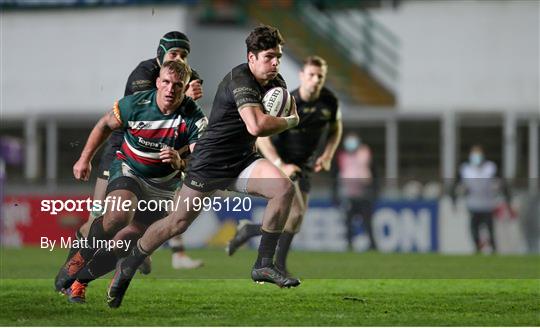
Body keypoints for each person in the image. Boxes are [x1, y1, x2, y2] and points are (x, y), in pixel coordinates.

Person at [105, 24, 301, 308]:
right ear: (251, 58)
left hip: (242, 160)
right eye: (269, 57)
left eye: (278, 57)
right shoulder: (240, 80)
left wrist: (280, 121)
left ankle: (264, 264)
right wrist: (291, 121)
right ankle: (129, 264)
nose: (275, 63)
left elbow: (269, 120)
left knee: (283, 189)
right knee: (176, 223)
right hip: (209, 162)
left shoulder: (277, 82)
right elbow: (257, 124)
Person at [53, 31, 204, 283]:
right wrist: (84, 158)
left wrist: (182, 159)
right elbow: (147, 114)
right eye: (174, 54)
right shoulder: (143, 76)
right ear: (160, 59)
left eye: (184, 55)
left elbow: (192, 135)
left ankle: (110, 267)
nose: (179, 58)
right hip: (124, 151)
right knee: (104, 219)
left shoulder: (187, 80)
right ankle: (75, 271)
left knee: (131, 232)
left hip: (162, 167)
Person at [226, 55, 342, 276]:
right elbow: (261, 137)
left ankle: (250, 230)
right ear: (302, 76)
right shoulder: (288, 100)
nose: (315, 80)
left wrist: (327, 155)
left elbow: (336, 128)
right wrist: (281, 163)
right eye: (311, 75)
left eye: (320, 76)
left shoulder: (329, 101)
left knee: (294, 221)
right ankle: (277, 265)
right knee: (296, 214)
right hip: (281, 160)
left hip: (304, 166)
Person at [454, 145, 511, 253]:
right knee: (474, 230)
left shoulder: (490, 167)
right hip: (473, 204)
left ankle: (493, 249)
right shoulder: (465, 169)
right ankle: (477, 248)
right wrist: (457, 197)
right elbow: (457, 186)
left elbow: (502, 184)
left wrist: (506, 199)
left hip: (487, 205)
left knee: (490, 229)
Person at [337, 133, 379, 251]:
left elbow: (373, 174)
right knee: (348, 222)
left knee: (367, 221)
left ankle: (372, 245)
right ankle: (349, 244)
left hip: (364, 194)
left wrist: (374, 191)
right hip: (349, 195)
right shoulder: (343, 156)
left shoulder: (365, 154)